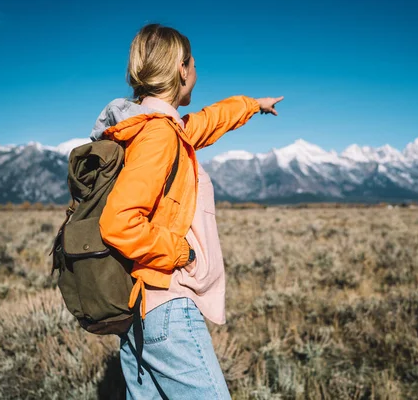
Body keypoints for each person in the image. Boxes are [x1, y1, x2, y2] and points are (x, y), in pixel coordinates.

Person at [89, 23, 283, 399]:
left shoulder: (150, 129)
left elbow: (207, 122)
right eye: (194, 63)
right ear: (182, 69)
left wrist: (251, 105)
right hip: (167, 306)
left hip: (139, 307)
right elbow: (119, 223)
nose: (197, 70)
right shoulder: (159, 136)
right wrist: (182, 253)